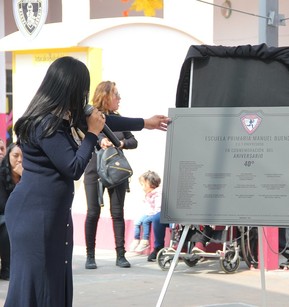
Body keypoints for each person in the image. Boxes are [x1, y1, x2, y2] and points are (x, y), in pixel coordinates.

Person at [4, 56, 170, 307]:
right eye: (82, 88)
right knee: (37, 283)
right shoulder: (45, 123)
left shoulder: (62, 116)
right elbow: (73, 167)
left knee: (55, 279)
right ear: (68, 86)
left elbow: (107, 121)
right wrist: (92, 135)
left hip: (50, 212)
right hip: (35, 215)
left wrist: (145, 123)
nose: (84, 95)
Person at [83, 81, 139, 270]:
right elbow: (87, 135)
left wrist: (120, 143)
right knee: (93, 212)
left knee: (117, 213)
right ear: (106, 97)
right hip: (94, 169)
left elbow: (133, 141)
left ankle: (120, 255)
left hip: (116, 170)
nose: (119, 99)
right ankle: (90, 256)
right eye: (117, 95)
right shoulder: (91, 117)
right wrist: (101, 140)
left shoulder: (118, 118)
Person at [130, 171, 168, 262]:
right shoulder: (149, 194)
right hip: (150, 213)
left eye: (143, 184)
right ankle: (136, 239)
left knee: (150, 220)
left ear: (150, 184)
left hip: (157, 213)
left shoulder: (158, 193)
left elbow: (158, 209)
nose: (142, 187)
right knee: (138, 221)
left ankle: (146, 241)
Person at [0, 143, 23, 281]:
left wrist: (24, 177)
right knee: (7, 225)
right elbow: (3, 205)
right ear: (8, 156)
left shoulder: (27, 176)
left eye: (23, 156)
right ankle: (7, 268)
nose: (19, 160)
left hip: (20, 216)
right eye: (15, 156)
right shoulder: (1, 175)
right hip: (4, 216)